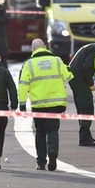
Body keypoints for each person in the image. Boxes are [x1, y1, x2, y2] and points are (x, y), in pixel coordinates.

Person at [18, 38, 73, 171]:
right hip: (56, 104)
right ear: (45, 47)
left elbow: (23, 85)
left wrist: (22, 104)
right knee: (53, 130)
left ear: (33, 50)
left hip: (39, 104)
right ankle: (53, 151)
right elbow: (69, 76)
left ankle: (41, 162)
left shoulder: (29, 64)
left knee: (40, 133)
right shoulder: (57, 60)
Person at [68, 41, 95, 147]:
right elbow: (87, 67)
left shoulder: (94, 46)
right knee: (87, 108)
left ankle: (85, 135)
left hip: (75, 77)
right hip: (80, 79)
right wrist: (90, 83)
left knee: (82, 107)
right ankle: (84, 137)